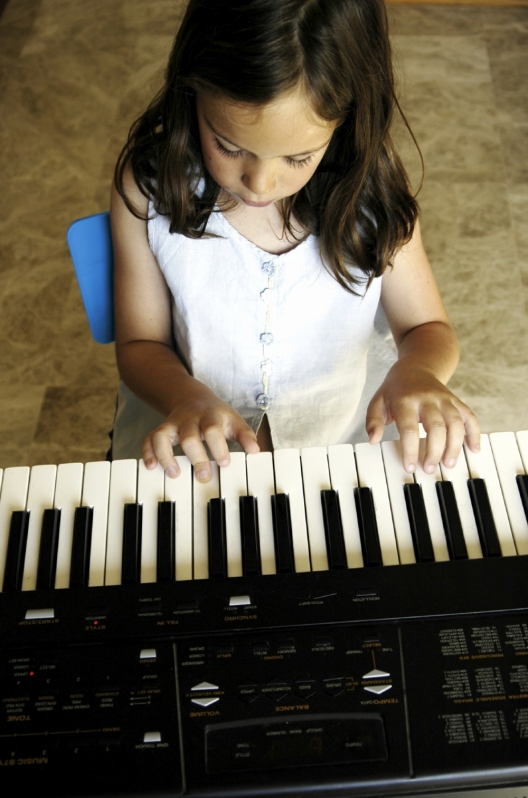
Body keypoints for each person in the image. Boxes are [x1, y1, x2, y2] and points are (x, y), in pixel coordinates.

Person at [110, 0, 480, 485]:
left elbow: (427, 326)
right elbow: (140, 342)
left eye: (298, 157)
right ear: (192, 87)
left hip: (340, 444)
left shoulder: (370, 190)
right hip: (185, 438)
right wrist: (184, 395)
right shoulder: (151, 186)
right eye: (228, 145)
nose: (260, 183)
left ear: (345, 121)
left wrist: (420, 372)